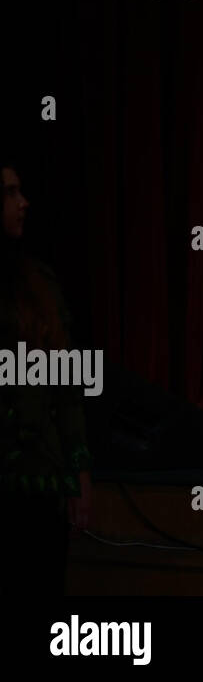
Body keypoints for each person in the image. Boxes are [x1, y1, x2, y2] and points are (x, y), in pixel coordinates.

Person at [0, 156, 92, 595]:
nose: (24, 203)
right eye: (10, 192)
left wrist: (78, 474)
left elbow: (67, 389)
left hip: (40, 488)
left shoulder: (40, 285)